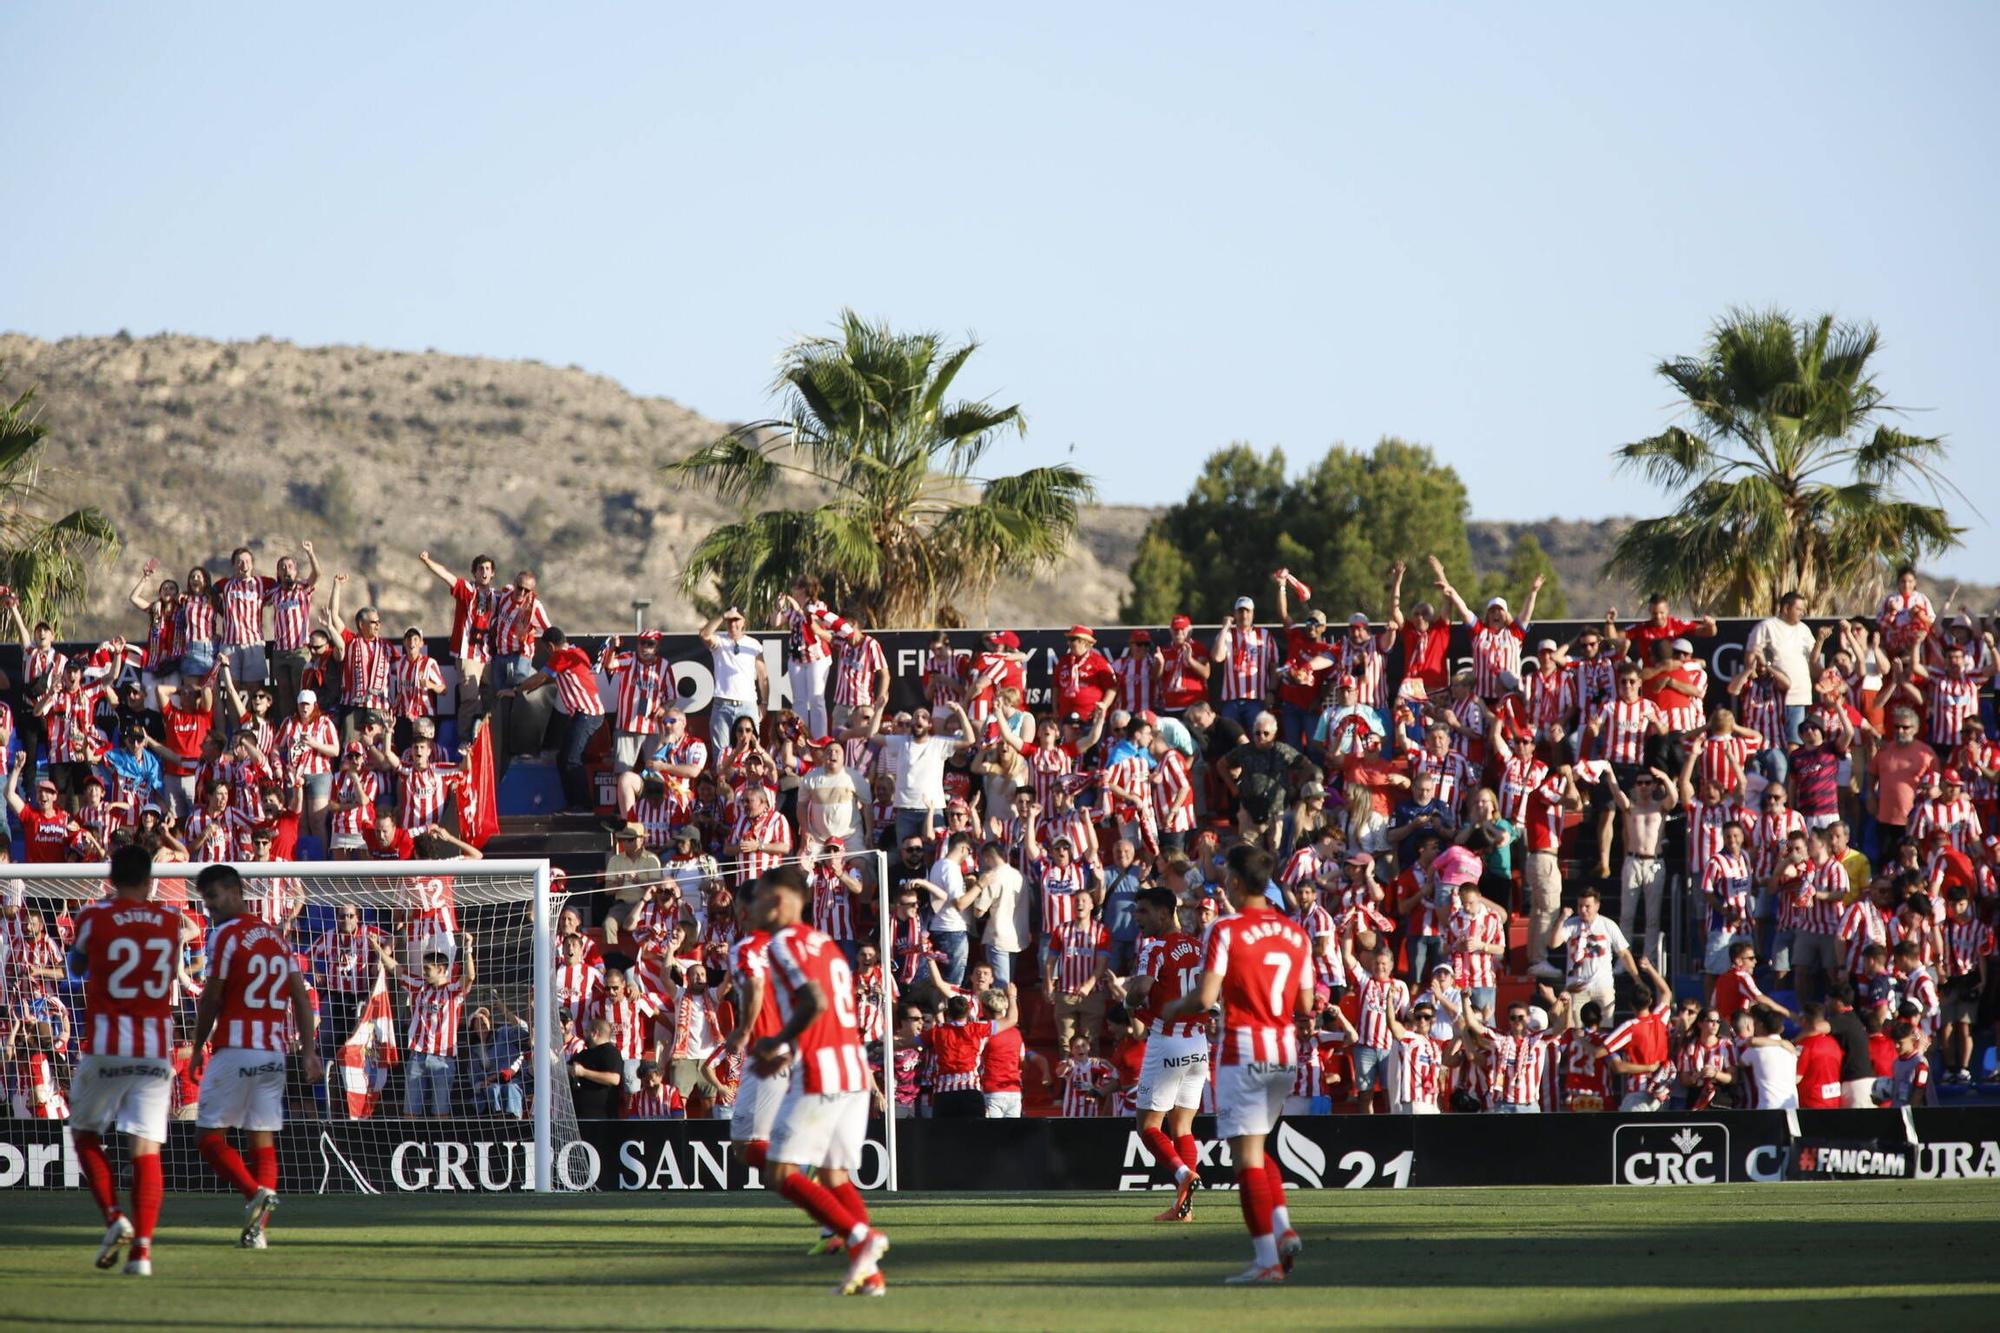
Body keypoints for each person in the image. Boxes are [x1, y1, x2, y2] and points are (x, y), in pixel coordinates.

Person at [1160, 844, 1312, 1286]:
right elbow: (1305, 1003)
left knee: (1245, 1157)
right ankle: (1282, 1229)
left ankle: (1266, 1260)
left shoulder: (1225, 930)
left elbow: (1205, 998)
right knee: (1259, 1146)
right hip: (1284, 1049)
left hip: (1244, 1047)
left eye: (1227, 877)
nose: (1223, 884)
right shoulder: (1295, 933)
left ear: (1238, 883)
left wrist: (1174, 1007)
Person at [748, 868, 892, 1298]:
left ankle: (860, 1237)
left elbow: (815, 1001)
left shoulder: (783, 943)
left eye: (756, 898)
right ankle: (871, 1275)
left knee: (779, 1171)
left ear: (777, 902)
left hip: (821, 1070)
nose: (751, 908)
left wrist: (776, 1041)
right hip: (853, 1068)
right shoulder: (827, 944)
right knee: (833, 1175)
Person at [188, 864, 321, 1250]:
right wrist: (309, 1051)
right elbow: (301, 998)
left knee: (208, 1138)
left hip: (234, 1049)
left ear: (234, 892)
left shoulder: (225, 936)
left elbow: (212, 996)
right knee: (261, 1142)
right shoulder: (277, 939)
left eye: (213, 896)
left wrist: (197, 1047)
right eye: (205, 898)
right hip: (273, 1055)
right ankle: (257, 1232)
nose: (209, 906)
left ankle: (253, 1191)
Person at [65, 845, 182, 1277]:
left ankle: (114, 1215)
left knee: (84, 1133)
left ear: (111, 878)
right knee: (146, 1150)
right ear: (150, 881)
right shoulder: (170, 924)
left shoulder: (94, 916)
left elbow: (76, 966)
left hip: (106, 1044)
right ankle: (143, 1256)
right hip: (153, 1051)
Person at [1123, 887, 1209, 1222]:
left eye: (1143, 912)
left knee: (1148, 1126)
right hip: (1198, 1044)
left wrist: (1129, 999)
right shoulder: (1199, 947)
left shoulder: (1155, 947)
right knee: (1183, 1127)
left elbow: (1141, 989)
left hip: (1168, 1041)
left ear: (1164, 912)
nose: (1137, 919)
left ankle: (1181, 1174)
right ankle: (1184, 1208)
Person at [371, 930, 475, 1117]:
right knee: (410, 1112)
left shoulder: (453, 990)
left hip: (443, 1058)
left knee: (440, 1112)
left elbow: (470, 977)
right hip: (417, 1056)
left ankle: (439, 1145)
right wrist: (377, 948)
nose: (424, 972)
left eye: (428, 969)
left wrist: (468, 949)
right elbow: (395, 968)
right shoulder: (418, 986)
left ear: (441, 969)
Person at [1547, 888, 1638, 1017]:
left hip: (1602, 985)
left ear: (1597, 906)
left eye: (1587, 906)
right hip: (1577, 986)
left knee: (1603, 1030)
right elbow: (1553, 943)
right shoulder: (1571, 924)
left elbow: (1623, 953)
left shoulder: (1608, 925)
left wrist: (1637, 978)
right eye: (1580, 906)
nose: (1583, 910)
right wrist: (1562, 919)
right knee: (1577, 1029)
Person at [1746, 591, 1818, 744]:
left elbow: (1814, 659)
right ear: (1786, 608)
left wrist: (1821, 640)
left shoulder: (1804, 629)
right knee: (1772, 741)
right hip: (1773, 699)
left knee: (1795, 741)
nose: (1802, 613)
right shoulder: (1766, 626)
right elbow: (1750, 658)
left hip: (1800, 695)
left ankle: (1792, 769)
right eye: (1798, 609)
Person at [699, 607, 767, 750]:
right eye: (729, 620)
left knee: (751, 750)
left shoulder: (753, 644)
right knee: (721, 753)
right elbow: (704, 634)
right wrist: (723, 615)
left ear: (744, 622)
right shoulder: (720, 641)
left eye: (736, 620)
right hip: (722, 705)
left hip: (747, 705)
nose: (732, 624)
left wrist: (765, 702)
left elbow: (762, 675)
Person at [568, 1017, 625, 1119]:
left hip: (602, 1118)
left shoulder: (610, 1052)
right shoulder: (584, 1054)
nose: (584, 1034)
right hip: (580, 1117)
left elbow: (614, 1079)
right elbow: (569, 1067)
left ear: (595, 1033)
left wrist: (584, 1072)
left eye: (586, 1031)